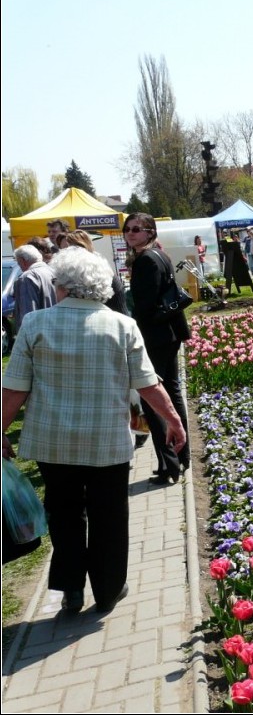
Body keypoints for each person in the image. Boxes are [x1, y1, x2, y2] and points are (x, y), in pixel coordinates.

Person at [2, 247, 186, 615]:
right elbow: (148, 384)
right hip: (107, 442)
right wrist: (173, 420)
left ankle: (71, 588)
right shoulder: (123, 325)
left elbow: (15, 387)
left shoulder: (35, 324)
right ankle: (108, 589)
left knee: (65, 514)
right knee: (110, 516)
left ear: (64, 285)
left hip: (53, 444)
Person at [122, 213, 192, 484]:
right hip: (169, 333)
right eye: (127, 229)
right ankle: (180, 456)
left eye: (136, 229)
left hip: (156, 335)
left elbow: (147, 305)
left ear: (150, 232)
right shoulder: (157, 254)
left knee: (155, 400)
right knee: (172, 394)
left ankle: (169, 464)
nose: (130, 233)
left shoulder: (147, 260)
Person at [64, 230, 128, 313]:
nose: (67, 252)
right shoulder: (69, 273)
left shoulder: (100, 270)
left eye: (72, 248)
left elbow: (120, 307)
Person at [13, 245, 57, 331]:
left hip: (38, 333)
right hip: (55, 328)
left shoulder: (27, 277)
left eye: (19, 263)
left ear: (23, 261)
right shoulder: (53, 272)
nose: (20, 267)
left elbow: (28, 313)